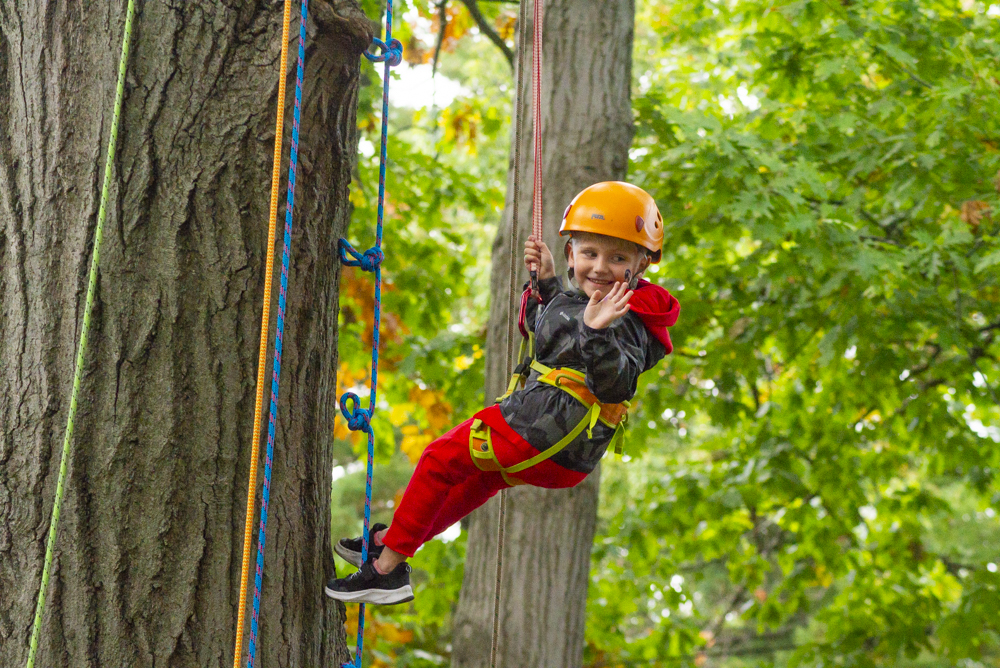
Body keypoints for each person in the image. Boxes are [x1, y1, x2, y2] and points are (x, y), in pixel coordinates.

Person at [324, 181, 680, 605]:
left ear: (640, 267)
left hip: (547, 427)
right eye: (589, 253)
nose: (600, 268)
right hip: (564, 451)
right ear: (571, 254)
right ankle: (392, 541)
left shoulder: (624, 317)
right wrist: (546, 283)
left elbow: (615, 382)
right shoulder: (585, 303)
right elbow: (555, 330)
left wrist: (597, 332)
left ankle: (386, 571)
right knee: (476, 480)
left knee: (440, 459)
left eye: (617, 258)